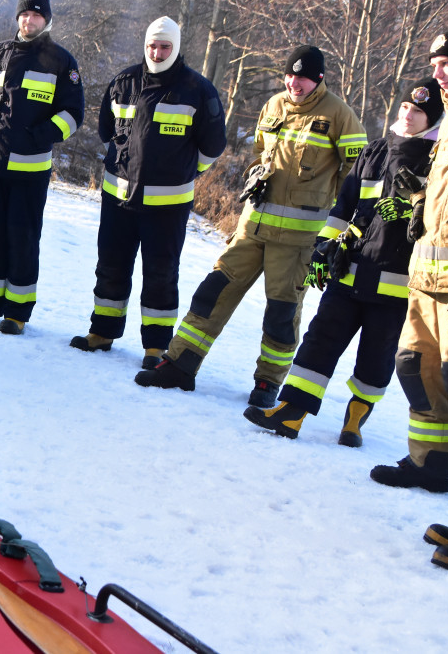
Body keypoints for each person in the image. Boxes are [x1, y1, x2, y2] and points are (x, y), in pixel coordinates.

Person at [135, 45, 367, 405]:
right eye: (290, 75)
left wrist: (336, 232)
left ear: (319, 78)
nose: (295, 83)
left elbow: (358, 180)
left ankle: (267, 383)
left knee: (281, 312)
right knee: (213, 292)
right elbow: (260, 153)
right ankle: (179, 365)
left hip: (298, 240)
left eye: (303, 77)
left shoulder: (340, 115)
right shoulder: (273, 105)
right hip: (252, 227)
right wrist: (255, 174)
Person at [244, 78, 442, 445]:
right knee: (320, 340)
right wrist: (322, 248)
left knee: (376, 357)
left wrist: (416, 207)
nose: (409, 115)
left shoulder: (438, 162)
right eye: (405, 107)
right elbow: (344, 206)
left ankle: (354, 420)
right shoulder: (376, 150)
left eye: (418, 111)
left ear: (433, 119)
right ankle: (290, 413)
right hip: (348, 272)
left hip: (397, 285)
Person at [70, 17, 226, 366]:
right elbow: (107, 132)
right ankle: (103, 331)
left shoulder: (198, 91)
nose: (157, 52)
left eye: (165, 46)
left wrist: (187, 171)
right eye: (152, 45)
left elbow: (213, 147)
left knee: (161, 274)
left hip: (167, 208)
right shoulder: (123, 82)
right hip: (118, 200)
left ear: (176, 47)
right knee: (110, 266)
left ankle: (156, 346)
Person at [0, 0, 84, 335]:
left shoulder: (61, 62)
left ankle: (17, 312)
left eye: (37, 15)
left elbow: (74, 114)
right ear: (18, 18)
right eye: (25, 15)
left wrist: (40, 135)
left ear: (47, 20)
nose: (30, 21)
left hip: (30, 170)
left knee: (23, 237)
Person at [370, 29, 448, 494]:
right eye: (434, 62)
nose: (437, 72)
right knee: (414, 366)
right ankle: (430, 464)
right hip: (425, 277)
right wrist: (417, 199)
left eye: (446, 63)